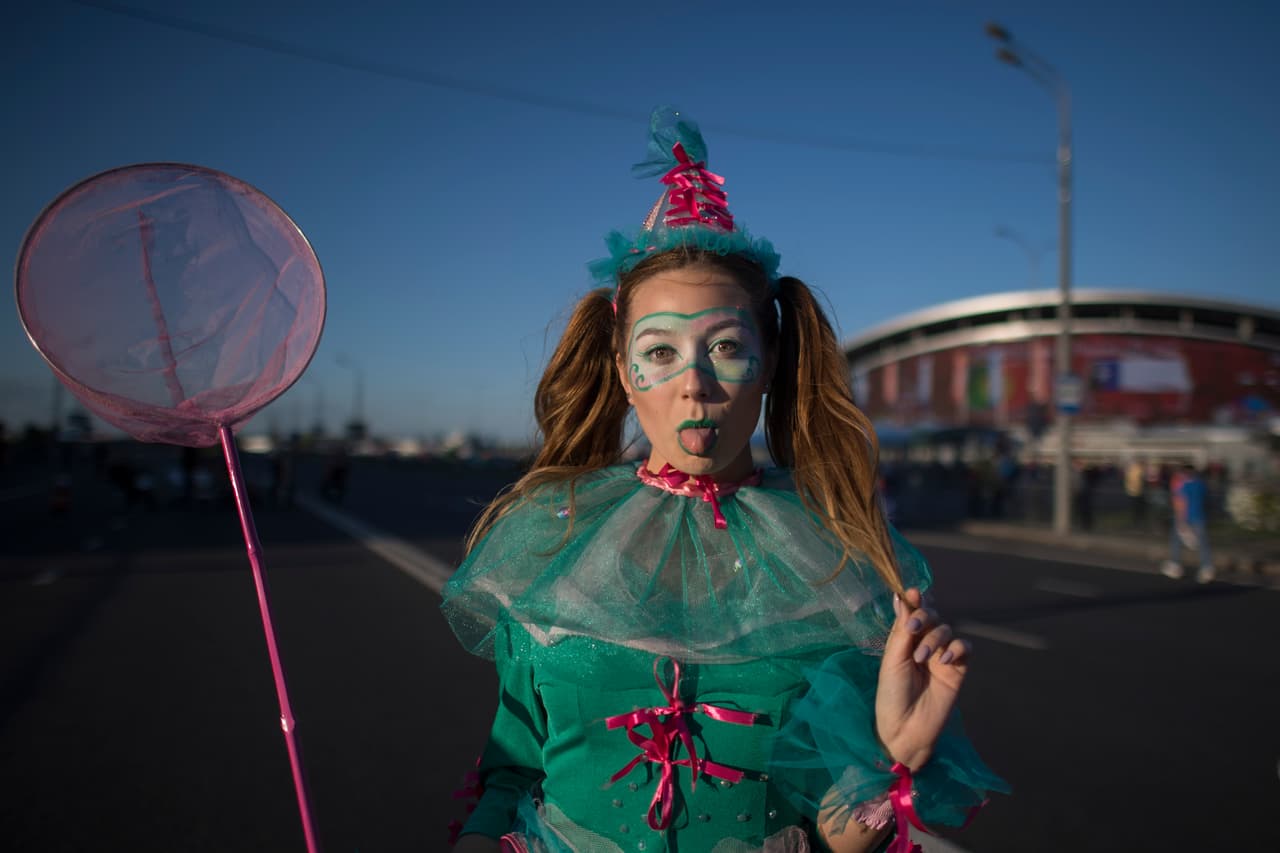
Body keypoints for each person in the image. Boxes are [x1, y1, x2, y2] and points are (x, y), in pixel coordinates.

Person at [442, 108, 1007, 853]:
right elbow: (513, 767)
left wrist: (889, 759)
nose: (696, 384)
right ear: (623, 372)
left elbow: (833, 828)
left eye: (727, 346)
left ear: (769, 363)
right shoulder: (551, 536)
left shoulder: (837, 565)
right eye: (662, 352)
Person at [1161, 463, 1215, 583]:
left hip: (1186, 517)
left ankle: (1175, 565)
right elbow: (1207, 500)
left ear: (1184, 474)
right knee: (1203, 544)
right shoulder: (1201, 485)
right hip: (1200, 517)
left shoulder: (1184, 486)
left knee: (1176, 541)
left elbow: (1181, 504)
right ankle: (1207, 568)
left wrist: (1180, 521)